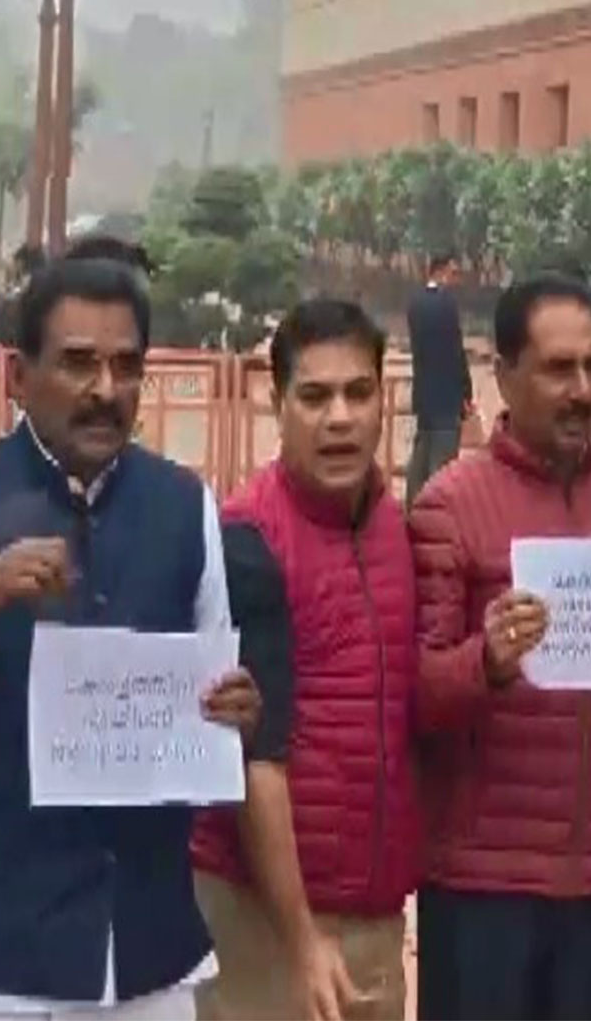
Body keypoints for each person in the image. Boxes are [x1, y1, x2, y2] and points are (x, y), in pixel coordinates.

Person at [0, 256, 260, 1015]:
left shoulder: (186, 506)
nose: (105, 390)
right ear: (18, 374)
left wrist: (234, 712)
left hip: (150, 955)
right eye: (77, 364)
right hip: (5, 961)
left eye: (126, 366)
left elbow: (216, 695)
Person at [411, 273, 591, 1021]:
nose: (584, 390)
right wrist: (483, 662)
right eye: (559, 370)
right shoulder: (449, 505)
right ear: (505, 375)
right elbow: (418, 697)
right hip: (483, 881)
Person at [192, 300, 419, 1021]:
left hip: (374, 914)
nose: (340, 418)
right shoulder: (249, 539)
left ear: (385, 400)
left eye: (359, 393)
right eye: (315, 397)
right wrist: (302, 941)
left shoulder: (392, 523)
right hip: (265, 921)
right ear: (276, 401)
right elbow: (257, 757)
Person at [406, 252, 472, 505]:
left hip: (424, 396)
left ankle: (412, 510)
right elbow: (455, 351)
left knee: (420, 462)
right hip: (447, 397)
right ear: (440, 271)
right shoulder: (447, 305)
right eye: (453, 274)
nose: (455, 280)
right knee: (442, 468)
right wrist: (467, 391)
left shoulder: (415, 305)